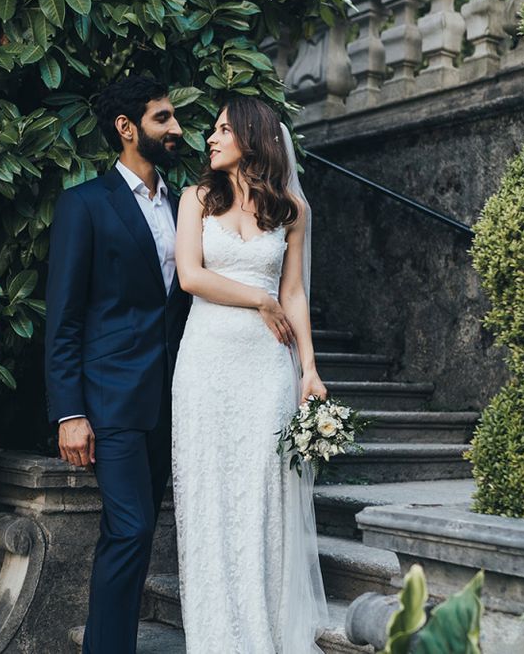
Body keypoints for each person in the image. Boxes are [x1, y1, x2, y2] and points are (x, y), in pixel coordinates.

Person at [172, 95, 329, 652]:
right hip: (206, 364)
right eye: (211, 131)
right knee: (209, 498)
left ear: (251, 137)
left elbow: (294, 292)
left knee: (261, 498)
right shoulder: (195, 199)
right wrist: (258, 301)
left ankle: (263, 636)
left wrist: (308, 369)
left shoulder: (291, 211)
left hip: (267, 368)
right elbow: (190, 276)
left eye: (220, 130)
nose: (210, 139)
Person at [44, 75, 191, 654]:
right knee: (128, 529)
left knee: (138, 531)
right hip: (108, 400)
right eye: (163, 118)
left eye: (173, 117)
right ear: (127, 129)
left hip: (168, 398)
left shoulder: (185, 208)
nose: (176, 128)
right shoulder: (84, 204)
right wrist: (69, 412)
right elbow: (64, 318)